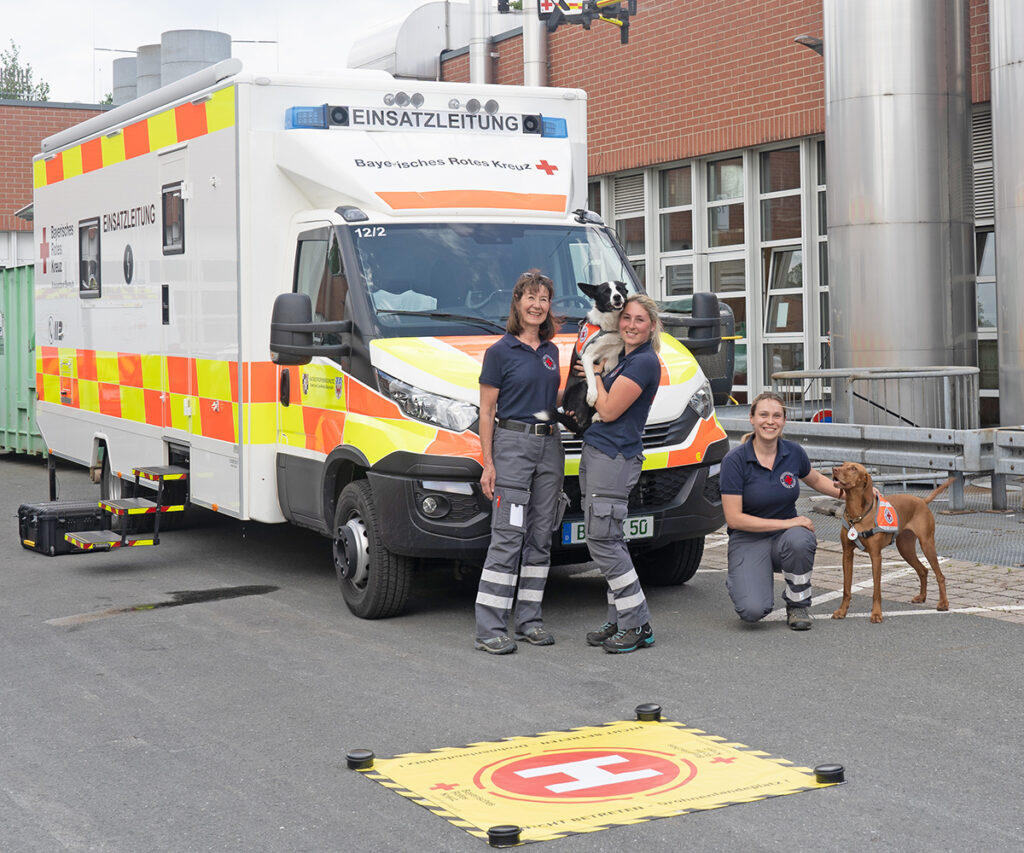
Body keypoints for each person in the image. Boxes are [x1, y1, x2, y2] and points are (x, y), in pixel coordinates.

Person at [474, 270, 565, 655]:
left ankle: (529, 620)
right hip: (512, 446)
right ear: (517, 302)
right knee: (508, 536)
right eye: (530, 297)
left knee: (542, 536)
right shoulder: (499, 353)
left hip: (550, 448)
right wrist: (488, 463)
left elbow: (551, 400)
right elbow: (487, 410)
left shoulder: (552, 351)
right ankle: (490, 627)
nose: (537, 305)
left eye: (543, 299)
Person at [719, 391, 844, 630]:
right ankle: (744, 575)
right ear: (752, 418)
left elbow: (817, 480)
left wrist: (859, 493)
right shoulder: (734, 460)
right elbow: (734, 519)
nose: (770, 421)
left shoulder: (793, 452)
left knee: (800, 539)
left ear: (784, 420)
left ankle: (798, 604)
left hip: (786, 540)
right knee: (752, 611)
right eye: (763, 415)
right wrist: (789, 522)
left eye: (777, 415)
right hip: (748, 539)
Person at [580, 293, 663, 654]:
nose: (630, 324)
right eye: (626, 317)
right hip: (600, 452)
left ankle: (637, 623)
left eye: (639, 320)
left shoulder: (644, 362)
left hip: (614, 458)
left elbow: (610, 410)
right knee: (609, 537)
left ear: (652, 326)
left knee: (603, 540)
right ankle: (619, 618)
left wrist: (596, 376)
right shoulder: (625, 356)